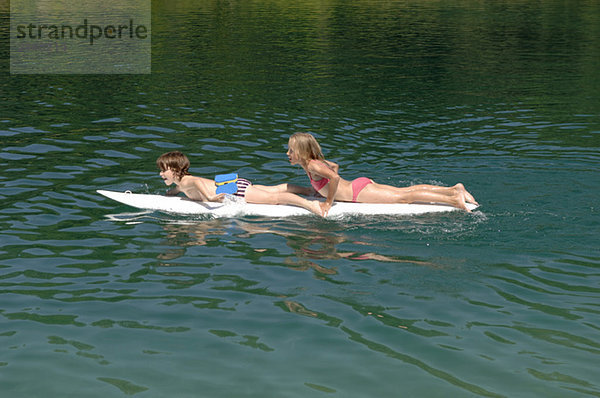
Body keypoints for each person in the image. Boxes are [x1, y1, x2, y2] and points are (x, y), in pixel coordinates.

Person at [286, 132, 478, 216]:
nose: (288, 154)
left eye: (291, 150)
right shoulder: (313, 163)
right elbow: (335, 167)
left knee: (405, 198)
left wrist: (328, 201)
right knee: (404, 191)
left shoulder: (311, 166)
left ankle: (454, 199)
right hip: (358, 185)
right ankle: (453, 189)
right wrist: (319, 190)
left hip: (357, 193)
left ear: (302, 151)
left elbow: (334, 177)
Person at [156, 151, 323, 216]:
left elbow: (198, 182)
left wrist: (210, 198)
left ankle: (310, 205)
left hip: (235, 190)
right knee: (273, 189)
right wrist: (169, 195)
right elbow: (178, 189)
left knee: (274, 198)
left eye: (164, 170)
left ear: (175, 169)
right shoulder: (182, 183)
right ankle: (308, 190)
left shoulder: (187, 181)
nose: (161, 174)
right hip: (234, 184)